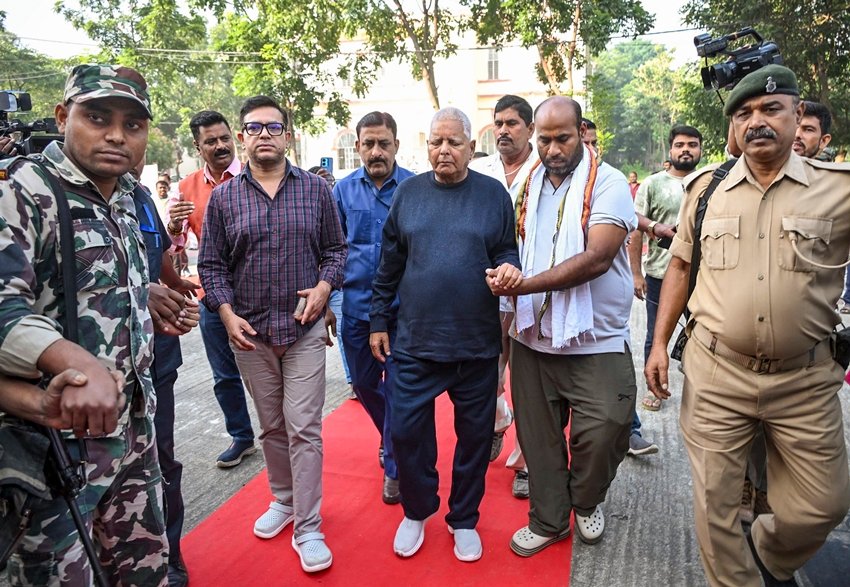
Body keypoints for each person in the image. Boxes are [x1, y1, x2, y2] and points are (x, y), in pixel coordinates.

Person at [644, 65, 850, 587]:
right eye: (744, 113)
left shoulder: (838, 191)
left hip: (805, 380)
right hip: (718, 374)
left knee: (823, 506)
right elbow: (680, 267)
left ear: (798, 114)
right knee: (716, 507)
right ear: (733, 126)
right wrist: (658, 343)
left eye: (771, 109)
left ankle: (770, 550)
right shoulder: (705, 190)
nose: (757, 121)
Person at [0, 63, 169, 585]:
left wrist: (144, 295)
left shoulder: (124, 195)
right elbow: (5, 306)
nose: (116, 135)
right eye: (97, 118)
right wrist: (77, 363)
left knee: (145, 570)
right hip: (54, 449)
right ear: (62, 117)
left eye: (132, 124)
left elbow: (87, 282)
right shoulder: (24, 190)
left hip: (132, 431)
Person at [199, 95, 347, 573]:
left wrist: (324, 288)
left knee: (304, 428)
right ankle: (283, 499)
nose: (264, 134)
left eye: (273, 127)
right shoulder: (224, 198)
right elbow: (212, 265)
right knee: (271, 427)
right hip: (250, 333)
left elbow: (336, 251)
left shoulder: (316, 191)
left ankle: (309, 526)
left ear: (288, 135)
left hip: (303, 330)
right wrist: (225, 314)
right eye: (254, 127)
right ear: (242, 137)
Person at [487, 96, 638, 556]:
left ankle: (586, 500)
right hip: (532, 338)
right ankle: (549, 519)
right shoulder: (525, 186)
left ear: (582, 133)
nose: (553, 149)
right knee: (539, 440)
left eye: (564, 138)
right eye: (545, 139)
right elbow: (506, 246)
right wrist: (503, 278)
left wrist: (526, 284)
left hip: (596, 339)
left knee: (608, 428)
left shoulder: (608, 182)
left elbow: (597, 258)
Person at [370, 107, 521, 562]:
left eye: (454, 142)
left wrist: (509, 268)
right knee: (406, 432)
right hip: (416, 342)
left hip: (476, 345)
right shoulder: (409, 194)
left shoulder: (493, 195)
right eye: (436, 142)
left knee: (474, 439)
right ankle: (417, 510)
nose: (444, 150)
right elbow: (389, 263)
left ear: (471, 148)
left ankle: (464, 518)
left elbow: (506, 250)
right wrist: (378, 320)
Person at [333, 112, 414, 505]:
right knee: (364, 384)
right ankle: (389, 433)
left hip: (403, 313)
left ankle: (394, 469)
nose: (376, 151)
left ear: (396, 145)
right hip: (356, 310)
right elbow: (332, 249)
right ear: (358, 147)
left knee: (398, 390)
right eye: (369, 144)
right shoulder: (342, 191)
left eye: (384, 143)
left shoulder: (416, 188)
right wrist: (327, 299)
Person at [170, 110, 258, 468]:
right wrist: (174, 227)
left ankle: (282, 432)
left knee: (269, 370)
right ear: (198, 146)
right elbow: (177, 246)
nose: (220, 146)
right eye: (211, 141)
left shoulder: (257, 175)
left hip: (257, 294)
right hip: (212, 297)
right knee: (224, 375)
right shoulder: (186, 188)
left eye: (224, 138)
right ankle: (241, 436)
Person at [131, 159, 201, 587]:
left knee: (162, 459)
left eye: (134, 128)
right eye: (103, 125)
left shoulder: (139, 197)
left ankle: (169, 554)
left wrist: (176, 283)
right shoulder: (45, 195)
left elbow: (157, 258)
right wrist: (142, 294)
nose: (121, 139)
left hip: (157, 359)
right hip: (92, 373)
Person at [469, 94, 538, 499]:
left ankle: (526, 460)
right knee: (488, 373)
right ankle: (498, 417)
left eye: (512, 123)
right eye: (498, 123)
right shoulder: (480, 170)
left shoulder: (545, 168)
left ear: (530, 128)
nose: (503, 131)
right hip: (488, 288)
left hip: (533, 290)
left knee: (528, 383)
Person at [626, 125, 703, 455]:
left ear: (700, 149)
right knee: (656, 335)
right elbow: (635, 227)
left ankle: (703, 394)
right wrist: (636, 273)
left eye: (692, 145)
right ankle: (654, 387)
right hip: (659, 275)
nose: (686, 150)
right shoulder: (653, 184)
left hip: (703, 278)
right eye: (680, 145)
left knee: (703, 337)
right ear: (670, 150)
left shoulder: (710, 182)